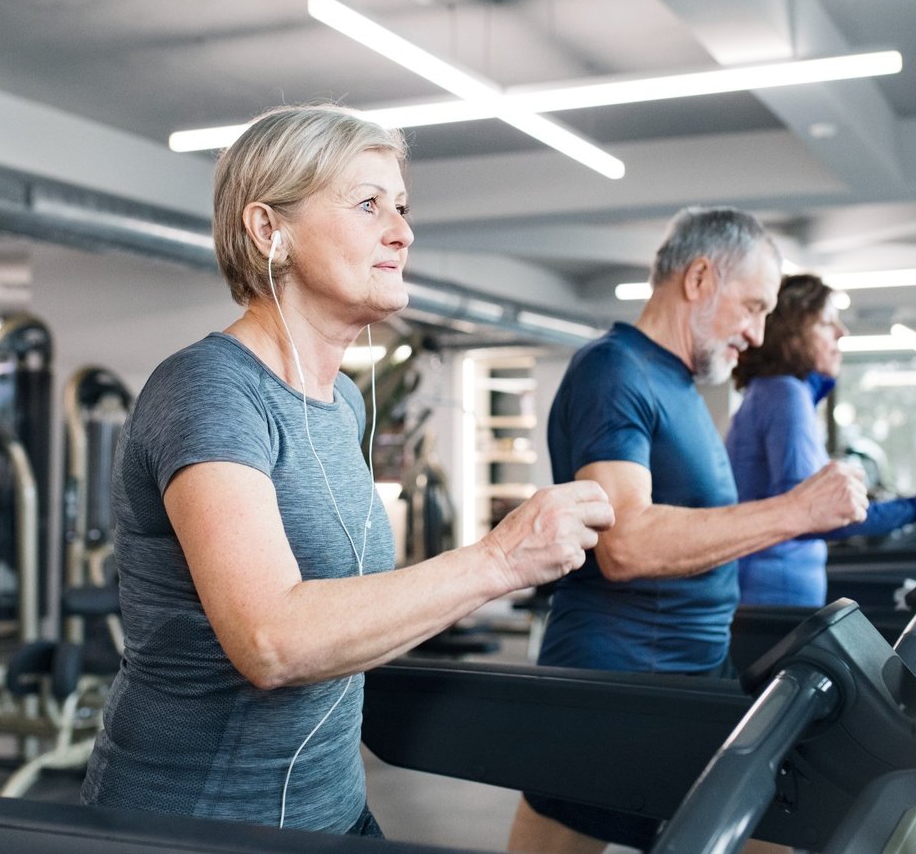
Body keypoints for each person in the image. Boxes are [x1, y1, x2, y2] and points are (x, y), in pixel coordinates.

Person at [81, 105, 614, 836]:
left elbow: (350, 620)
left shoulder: (339, 406)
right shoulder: (208, 390)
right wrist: (502, 558)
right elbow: (271, 641)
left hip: (329, 810)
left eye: (400, 207)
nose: (402, 231)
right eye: (368, 205)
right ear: (270, 230)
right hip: (198, 822)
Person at [506, 206, 872, 854]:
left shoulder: (677, 385)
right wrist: (796, 511)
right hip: (620, 688)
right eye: (753, 307)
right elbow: (626, 544)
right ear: (700, 279)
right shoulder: (613, 368)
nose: (758, 334)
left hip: (693, 673)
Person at [726, 274, 916, 607]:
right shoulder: (785, 394)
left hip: (766, 587)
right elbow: (811, 514)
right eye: (827, 323)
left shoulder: (773, 392)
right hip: (774, 594)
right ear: (792, 334)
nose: (842, 332)